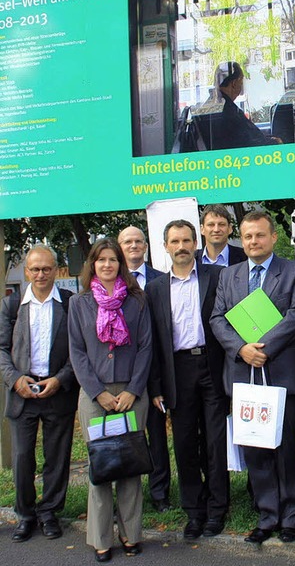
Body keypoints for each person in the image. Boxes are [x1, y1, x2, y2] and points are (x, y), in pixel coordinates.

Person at [211, 210, 295, 544]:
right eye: (248, 236)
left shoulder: (294, 271)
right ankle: (267, 515)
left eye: (260, 235)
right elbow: (218, 319)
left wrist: (264, 348)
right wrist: (242, 349)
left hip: (280, 373)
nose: (253, 242)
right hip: (244, 376)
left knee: (284, 449)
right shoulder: (229, 275)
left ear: (273, 238)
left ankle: (292, 515)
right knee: (255, 448)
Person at [68, 238, 152, 562]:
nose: (107, 265)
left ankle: (131, 533)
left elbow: (146, 348)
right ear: (93, 264)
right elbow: (76, 352)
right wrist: (98, 392)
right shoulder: (80, 303)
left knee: (130, 465)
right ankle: (101, 538)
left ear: (121, 264)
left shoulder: (137, 301)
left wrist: (133, 389)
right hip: (95, 395)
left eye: (113, 260)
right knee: (100, 467)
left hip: (132, 395)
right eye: (101, 259)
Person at [146, 220, 229, 540]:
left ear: (196, 242)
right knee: (184, 444)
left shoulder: (217, 276)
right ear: (165, 246)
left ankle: (218, 508)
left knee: (215, 441)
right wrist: (155, 386)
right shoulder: (154, 289)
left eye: (186, 240)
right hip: (176, 372)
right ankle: (194, 511)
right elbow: (151, 341)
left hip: (212, 365)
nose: (181, 247)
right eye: (174, 241)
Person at [0, 245, 78, 543]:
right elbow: (2, 349)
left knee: (57, 458)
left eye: (46, 269)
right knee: (22, 458)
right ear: (26, 271)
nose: (41, 274)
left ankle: (49, 513)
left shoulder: (69, 303)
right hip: (22, 393)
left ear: (56, 269)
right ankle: (25, 514)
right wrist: (14, 378)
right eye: (35, 269)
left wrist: (61, 380)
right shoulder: (12, 305)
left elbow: (78, 351)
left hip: (57, 391)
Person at [117, 226, 170, 513]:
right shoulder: (110, 283)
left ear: (147, 246)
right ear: (119, 247)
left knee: (157, 435)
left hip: (155, 371)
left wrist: (158, 382)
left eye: (138, 241)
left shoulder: (161, 281)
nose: (134, 245)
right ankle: (126, 496)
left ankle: (160, 493)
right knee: (123, 437)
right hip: (123, 373)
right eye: (128, 241)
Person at [214, 61, 270, 149]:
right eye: (241, 81)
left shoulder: (218, 104)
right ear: (234, 83)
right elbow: (247, 140)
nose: (241, 85)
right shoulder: (228, 111)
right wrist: (271, 142)